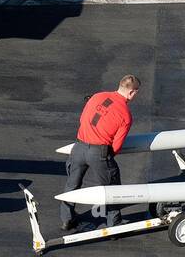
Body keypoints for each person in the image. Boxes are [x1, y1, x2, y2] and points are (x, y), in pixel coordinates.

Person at [60, 75, 140, 231]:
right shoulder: (125, 115)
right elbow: (116, 146)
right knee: (112, 188)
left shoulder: (97, 96)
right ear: (132, 93)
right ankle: (114, 223)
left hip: (79, 146)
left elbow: (83, 119)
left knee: (72, 184)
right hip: (99, 152)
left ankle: (67, 219)